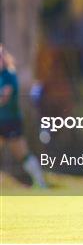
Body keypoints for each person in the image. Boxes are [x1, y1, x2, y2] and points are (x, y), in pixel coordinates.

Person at [0, 44, 47, 188]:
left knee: (22, 153)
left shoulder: (9, 75)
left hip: (10, 122)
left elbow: (4, 98)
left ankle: (40, 182)